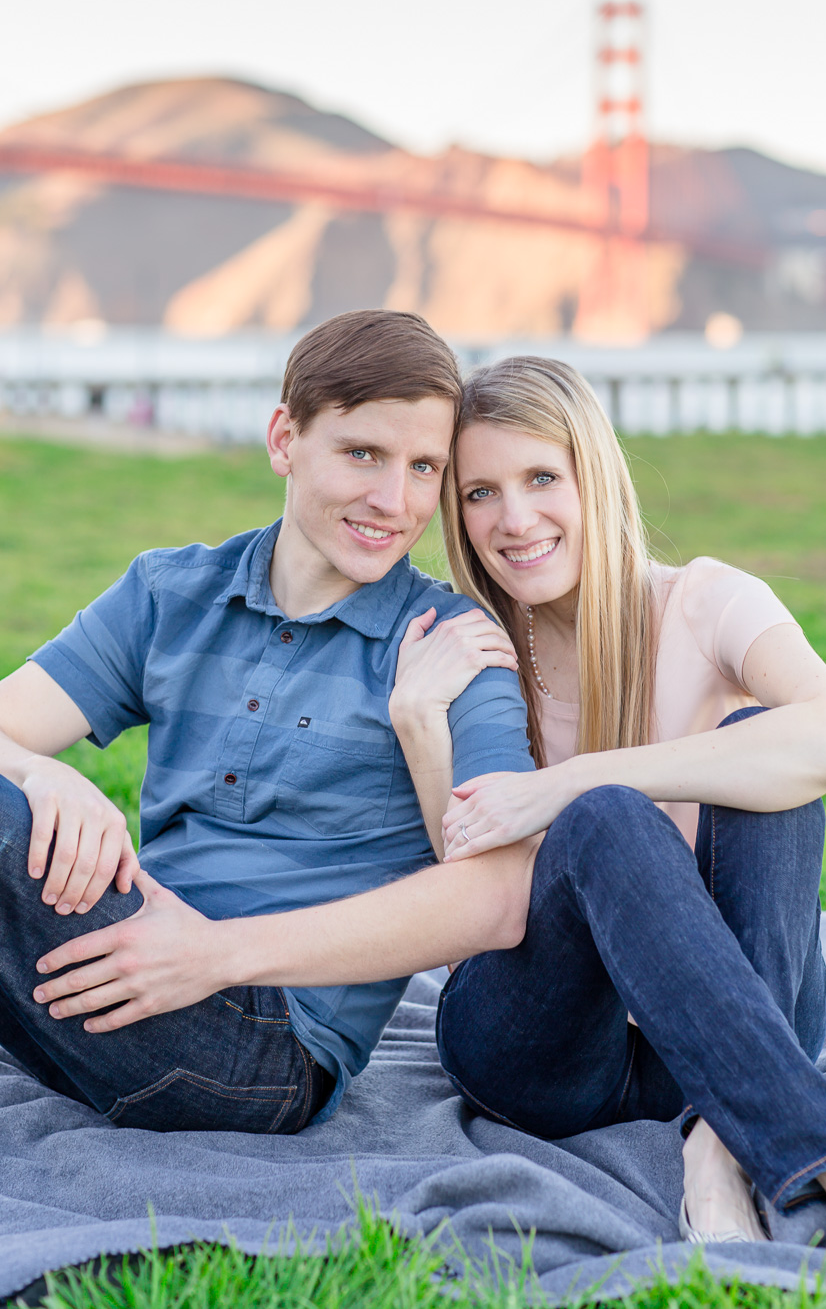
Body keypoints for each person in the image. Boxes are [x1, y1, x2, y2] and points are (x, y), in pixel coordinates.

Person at [23, 358, 826, 1296]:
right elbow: (473, 881)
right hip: (547, 1043)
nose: (514, 519)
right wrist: (419, 724)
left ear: (593, 474)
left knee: (763, 763)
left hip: (740, 1013)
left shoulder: (705, 601)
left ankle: (721, 1137)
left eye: (541, 479)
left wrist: (574, 777)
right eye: (480, 491)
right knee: (607, 822)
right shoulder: (474, 648)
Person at [0, 309, 534, 1134]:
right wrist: (42, 772)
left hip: (266, 1047)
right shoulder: (169, 593)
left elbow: (504, 893)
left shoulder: (453, 650)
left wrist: (214, 956)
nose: (394, 501)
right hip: (118, 967)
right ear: (286, 439)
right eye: (363, 453)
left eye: (424, 467)